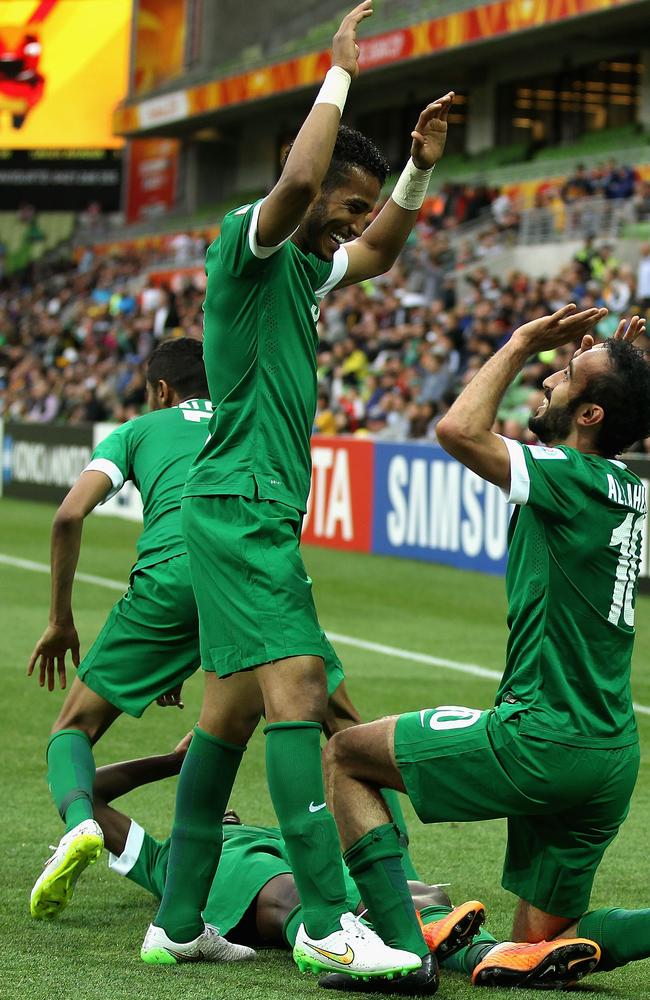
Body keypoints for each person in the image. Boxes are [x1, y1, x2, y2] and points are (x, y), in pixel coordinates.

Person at [141, 0, 454, 989]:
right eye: (348, 206)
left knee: (227, 716)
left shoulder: (308, 271)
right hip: (238, 504)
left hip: (246, 505)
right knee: (300, 691)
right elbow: (305, 179)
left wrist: (415, 169)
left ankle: (181, 920)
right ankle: (326, 918)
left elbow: (383, 247)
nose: (354, 225)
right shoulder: (252, 243)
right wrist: (339, 75)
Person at [323, 310, 650, 991]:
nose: (549, 376)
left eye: (566, 378)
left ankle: (403, 951)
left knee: (346, 756)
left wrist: (520, 341)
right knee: (538, 943)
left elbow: (458, 431)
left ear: (590, 415)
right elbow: (607, 419)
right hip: (609, 754)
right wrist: (616, 374)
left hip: (544, 739)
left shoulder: (568, 475)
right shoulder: (628, 486)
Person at [95, 734, 588, 990]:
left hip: (301, 873)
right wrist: (176, 762)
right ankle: (417, 929)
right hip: (242, 886)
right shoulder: (168, 858)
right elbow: (90, 795)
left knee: (408, 896)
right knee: (293, 897)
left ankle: (493, 956)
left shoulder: (271, 833)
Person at [26, 339, 216, 921]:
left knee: (72, 731)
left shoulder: (140, 428)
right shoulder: (248, 417)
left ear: (161, 390)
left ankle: (85, 823)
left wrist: (60, 619)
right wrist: (186, 655)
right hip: (250, 582)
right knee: (326, 725)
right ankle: (389, 883)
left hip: (166, 582)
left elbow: (67, 514)